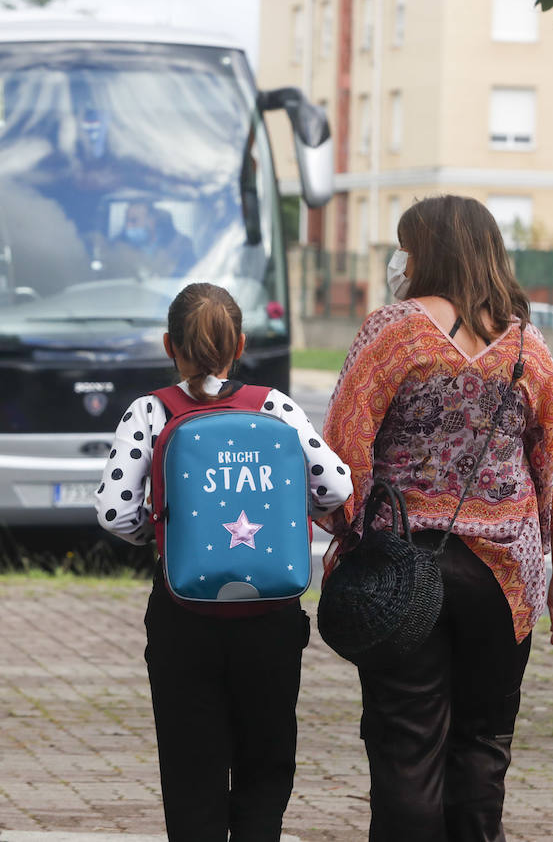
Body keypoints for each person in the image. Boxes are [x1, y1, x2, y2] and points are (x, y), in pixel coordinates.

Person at [318, 194, 553, 842]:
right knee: (484, 743)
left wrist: (348, 537)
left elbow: (343, 453)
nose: (402, 259)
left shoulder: (394, 332)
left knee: (407, 746)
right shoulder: (528, 345)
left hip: (403, 571)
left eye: (407, 246)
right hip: (504, 580)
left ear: (427, 252)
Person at [95, 282, 351, 842]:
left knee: (191, 763)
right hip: (271, 613)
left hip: (183, 615)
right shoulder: (273, 407)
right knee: (266, 754)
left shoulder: (150, 413)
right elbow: (334, 485)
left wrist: (161, 534)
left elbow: (116, 512)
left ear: (169, 345)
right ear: (239, 344)